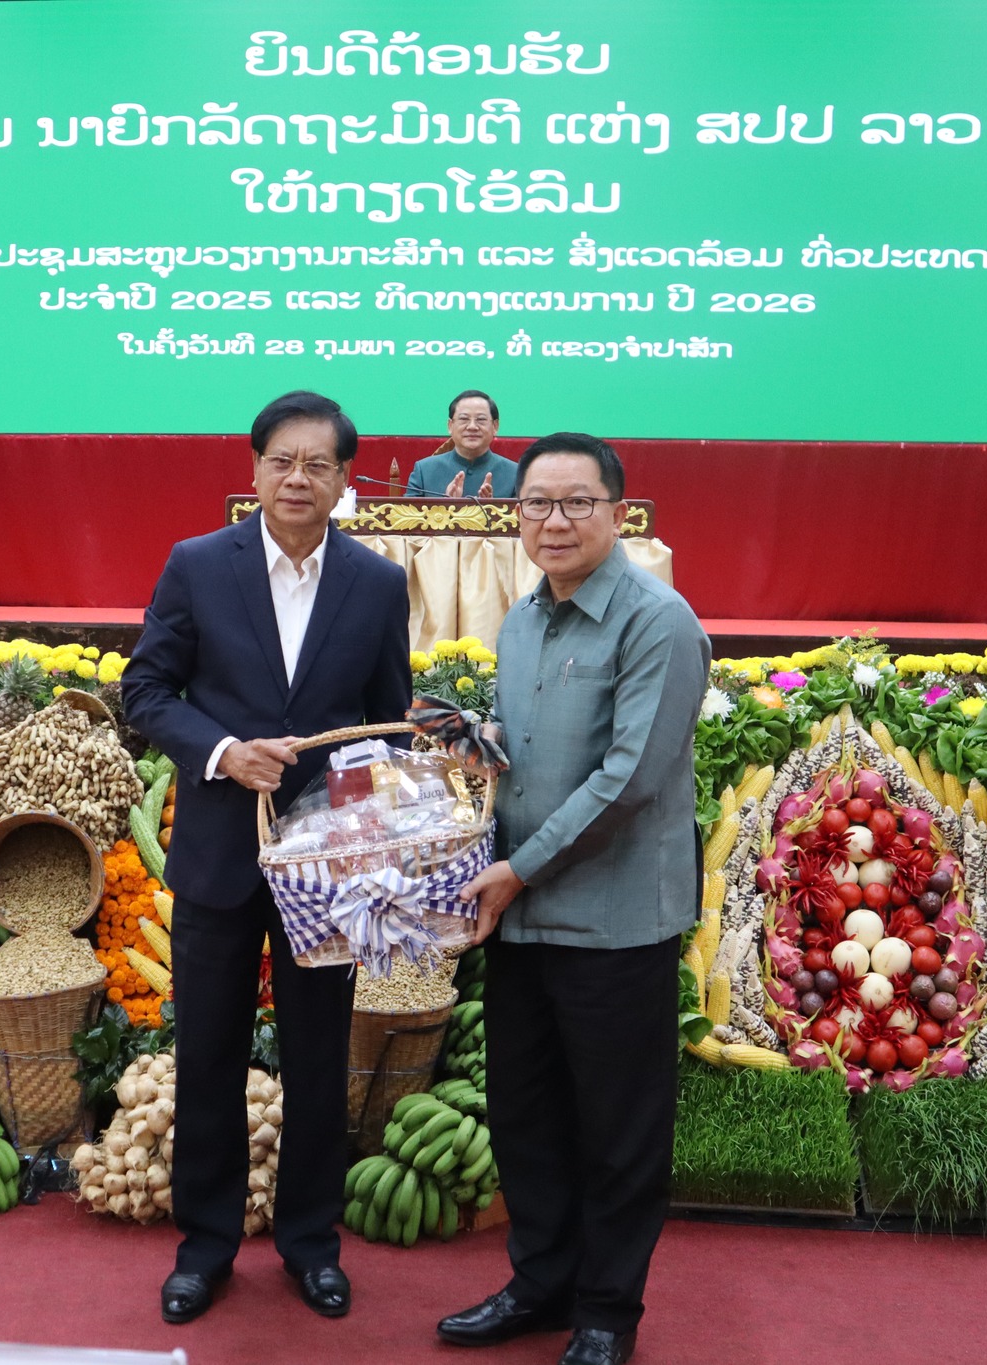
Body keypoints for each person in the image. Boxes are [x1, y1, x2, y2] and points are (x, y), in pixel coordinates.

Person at [123, 390, 412, 1327]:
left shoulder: (375, 583)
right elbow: (145, 690)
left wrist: (362, 836)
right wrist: (220, 752)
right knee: (207, 1052)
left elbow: (384, 728)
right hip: (219, 854)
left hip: (325, 869)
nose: (297, 478)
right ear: (254, 469)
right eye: (282, 460)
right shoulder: (199, 564)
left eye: (317, 464)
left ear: (344, 479)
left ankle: (311, 1245)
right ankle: (204, 1248)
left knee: (319, 1059)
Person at [438, 433, 709, 1365]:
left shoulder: (657, 621)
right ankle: (540, 1282)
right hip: (521, 916)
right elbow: (527, 754)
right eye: (536, 503)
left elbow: (627, 779)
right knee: (527, 1114)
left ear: (618, 513)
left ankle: (606, 1311)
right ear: (514, 514)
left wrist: (518, 868)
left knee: (618, 1129)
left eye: (576, 502)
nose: (554, 521)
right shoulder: (523, 620)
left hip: (614, 920)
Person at [406, 390, 518, 498]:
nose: (472, 427)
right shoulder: (424, 471)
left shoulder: (515, 474)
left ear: (495, 426)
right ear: (450, 426)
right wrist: (447, 505)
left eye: (481, 419)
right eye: (464, 419)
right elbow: (408, 510)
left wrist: (491, 507)